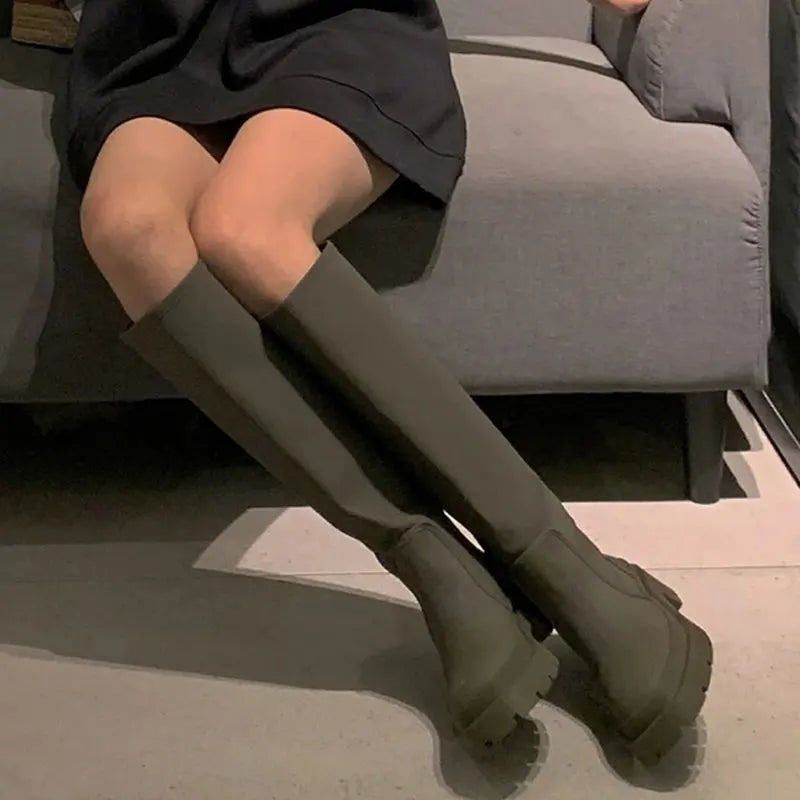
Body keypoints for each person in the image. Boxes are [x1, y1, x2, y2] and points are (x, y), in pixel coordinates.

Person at [64, 0, 707, 765]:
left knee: (246, 230)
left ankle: (572, 567)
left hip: (330, 25)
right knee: (129, 229)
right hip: (156, 42)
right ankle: (442, 570)